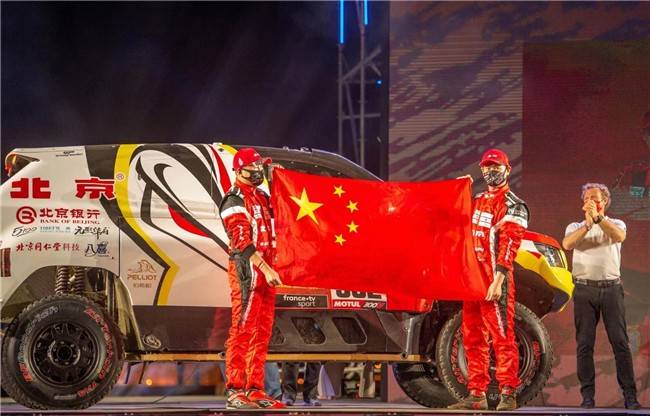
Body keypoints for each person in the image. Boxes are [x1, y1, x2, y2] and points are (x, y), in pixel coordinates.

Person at [448, 149, 528, 411]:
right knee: (472, 338)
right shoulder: (477, 200)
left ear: (507, 169)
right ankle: (476, 395)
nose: (491, 171)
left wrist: (498, 280)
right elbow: (455, 222)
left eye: (496, 167)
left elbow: (509, 245)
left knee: (502, 337)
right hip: (472, 280)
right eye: (487, 167)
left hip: (495, 279)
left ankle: (508, 394)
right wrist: (458, 192)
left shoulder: (514, 204)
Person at [562, 183, 641, 410]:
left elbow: (619, 236)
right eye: (587, 198)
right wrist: (588, 224)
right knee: (584, 344)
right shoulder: (575, 226)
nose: (590, 202)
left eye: (595, 198)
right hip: (584, 290)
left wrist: (598, 219)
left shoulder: (616, 223)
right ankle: (587, 397)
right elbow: (567, 244)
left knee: (620, 342)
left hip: (611, 290)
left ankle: (630, 396)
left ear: (604, 201)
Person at [219, 147, 284, 409]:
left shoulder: (262, 196)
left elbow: (283, 217)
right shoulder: (233, 199)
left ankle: (255, 389)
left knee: (262, 331)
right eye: (254, 167)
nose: (258, 171)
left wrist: (280, 184)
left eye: (260, 167)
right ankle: (235, 391)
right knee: (242, 329)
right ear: (239, 170)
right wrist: (265, 269)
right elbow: (241, 241)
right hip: (247, 269)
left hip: (267, 270)